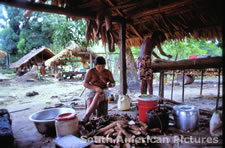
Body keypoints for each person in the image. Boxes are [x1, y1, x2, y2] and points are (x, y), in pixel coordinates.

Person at [137, 30, 172, 95]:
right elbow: (161, 52)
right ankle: (150, 99)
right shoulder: (156, 40)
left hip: (140, 60)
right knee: (149, 82)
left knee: (143, 83)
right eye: (161, 37)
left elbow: (151, 51)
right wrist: (167, 55)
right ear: (158, 36)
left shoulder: (147, 40)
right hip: (146, 60)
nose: (161, 39)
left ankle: (144, 98)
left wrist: (158, 57)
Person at [82, 56, 115, 122]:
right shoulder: (91, 72)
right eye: (99, 67)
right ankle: (90, 118)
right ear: (95, 65)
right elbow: (85, 84)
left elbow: (113, 83)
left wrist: (109, 84)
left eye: (103, 66)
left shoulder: (108, 72)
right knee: (89, 100)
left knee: (97, 95)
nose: (101, 68)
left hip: (104, 90)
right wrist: (95, 87)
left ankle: (86, 116)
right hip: (92, 89)